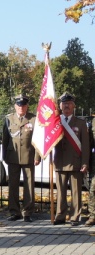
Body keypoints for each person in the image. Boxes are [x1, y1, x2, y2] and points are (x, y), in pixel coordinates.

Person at [2, 94, 40, 223]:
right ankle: (14, 211)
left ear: (27, 106)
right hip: (12, 156)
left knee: (29, 186)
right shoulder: (9, 119)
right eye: (19, 105)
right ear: (15, 106)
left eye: (23, 105)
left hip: (29, 155)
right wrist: (4, 156)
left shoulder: (33, 119)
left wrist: (37, 156)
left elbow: (37, 140)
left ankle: (28, 212)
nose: (21, 107)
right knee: (13, 185)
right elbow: (6, 138)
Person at [53, 92, 89, 226]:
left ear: (74, 106)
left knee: (76, 192)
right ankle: (60, 216)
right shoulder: (55, 122)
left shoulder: (80, 123)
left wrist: (85, 163)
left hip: (75, 162)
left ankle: (75, 216)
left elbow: (85, 146)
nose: (66, 106)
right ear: (60, 106)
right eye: (64, 103)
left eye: (69, 103)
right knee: (61, 192)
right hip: (60, 161)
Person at [86, 116, 95, 226]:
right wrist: (86, 161)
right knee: (93, 188)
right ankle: (93, 215)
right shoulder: (93, 121)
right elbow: (89, 143)